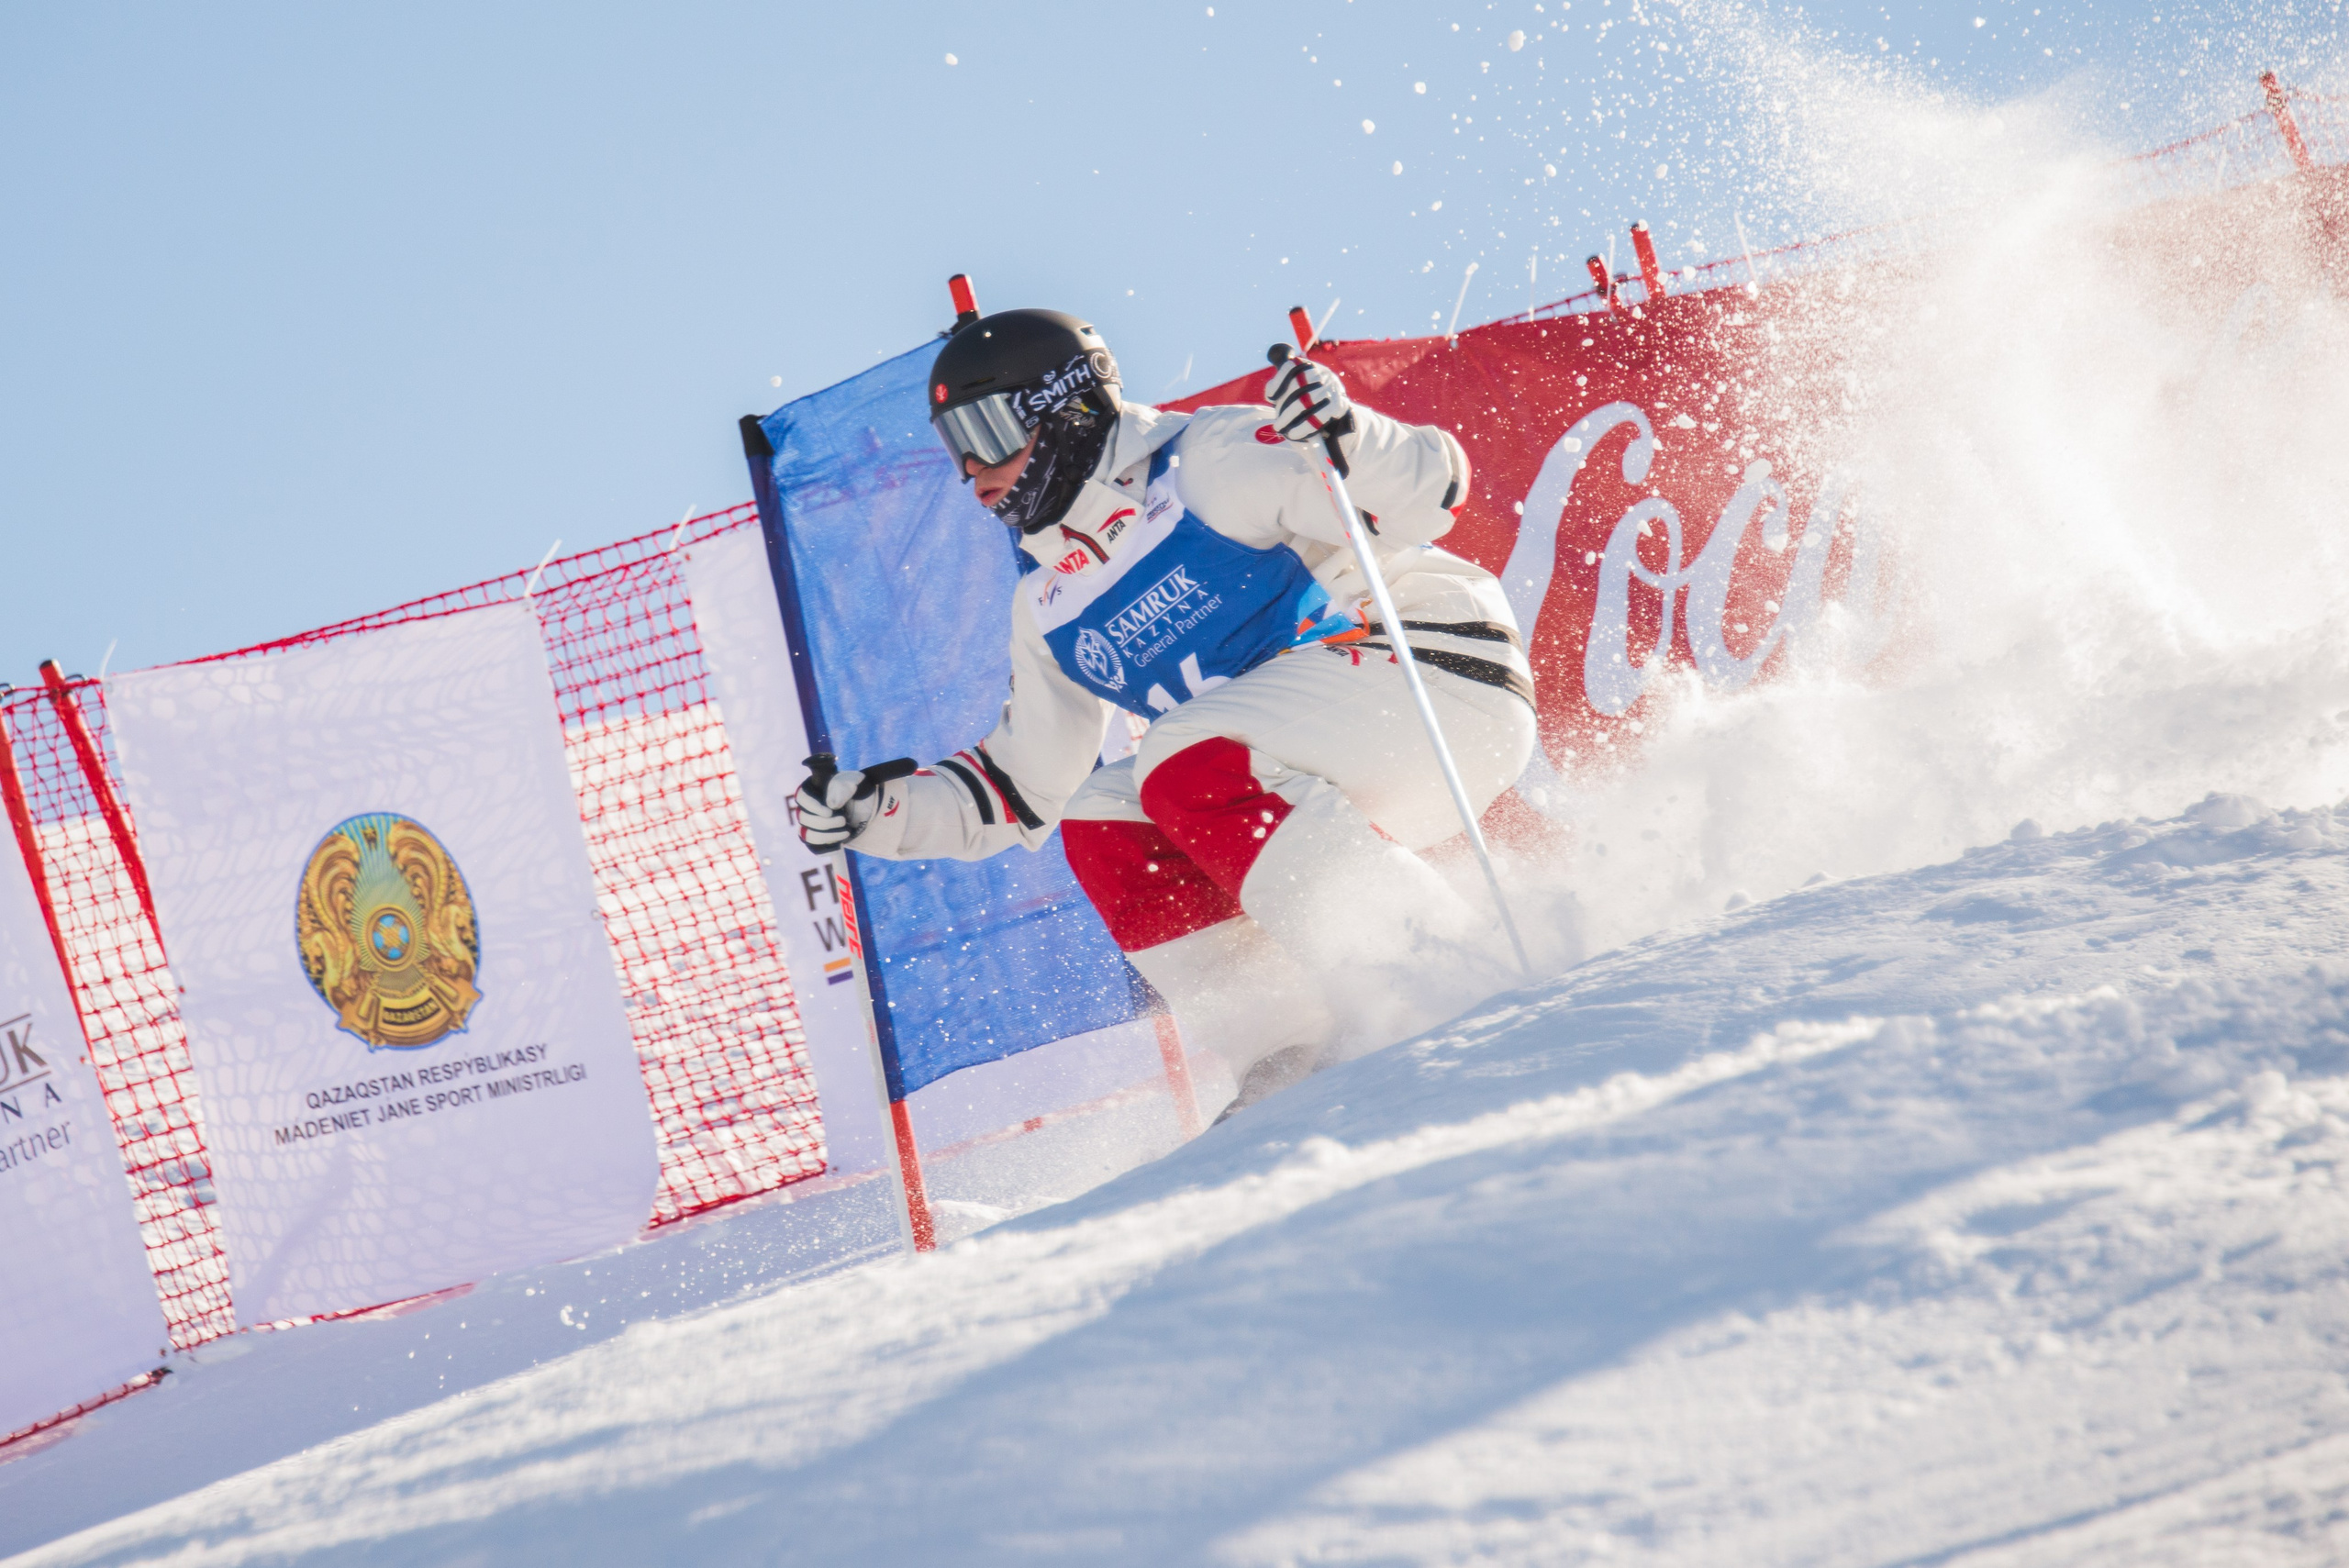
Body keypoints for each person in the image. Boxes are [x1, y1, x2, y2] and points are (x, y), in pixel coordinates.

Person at [796, 299, 1535, 1117]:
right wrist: (880, 811)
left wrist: (1350, 436)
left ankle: (1439, 974)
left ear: (1065, 405)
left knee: (1179, 756)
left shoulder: (1207, 461)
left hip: (1437, 671)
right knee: (1100, 816)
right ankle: (1289, 1050)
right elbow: (1017, 788)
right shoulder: (1048, 599)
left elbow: (1429, 495)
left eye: (989, 432)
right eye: (956, 450)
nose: (973, 473)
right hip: (1317, 753)